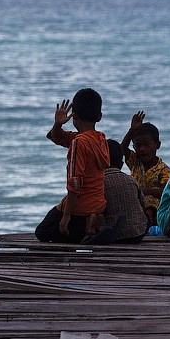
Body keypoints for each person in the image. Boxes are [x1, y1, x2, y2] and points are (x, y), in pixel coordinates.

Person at [35, 88, 110, 243]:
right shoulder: (101, 139)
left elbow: (75, 183)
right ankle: (94, 220)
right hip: (98, 205)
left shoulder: (78, 142)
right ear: (99, 116)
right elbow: (58, 137)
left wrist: (66, 215)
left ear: (73, 116)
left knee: (43, 232)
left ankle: (85, 228)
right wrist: (57, 125)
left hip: (80, 208)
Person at [82, 139, 149, 245]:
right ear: (121, 164)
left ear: (99, 161)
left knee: (95, 213)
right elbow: (143, 204)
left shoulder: (99, 183)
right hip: (138, 233)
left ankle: (93, 233)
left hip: (116, 235)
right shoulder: (131, 180)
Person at [120, 111, 170, 226]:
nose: (142, 149)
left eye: (146, 145)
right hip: (136, 203)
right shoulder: (135, 162)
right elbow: (122, 148)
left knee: (151, 199)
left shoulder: (163, 169)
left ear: (157, 145)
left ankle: (148, 220)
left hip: (155, 208)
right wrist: (132, 130)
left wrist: (144, 192)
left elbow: (166, 192)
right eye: (138, 146)